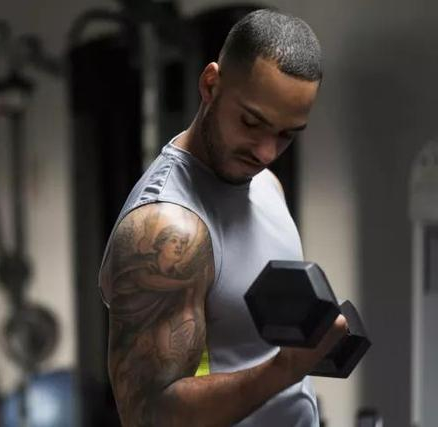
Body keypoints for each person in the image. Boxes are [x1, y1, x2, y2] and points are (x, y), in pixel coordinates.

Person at [98, 9, 348, 427]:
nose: (266, 152)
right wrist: (286, 369)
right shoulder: (167, 228)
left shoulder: (266, 185)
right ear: (210, 85)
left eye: (286, 134)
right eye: (251, 122)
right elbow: (148, 415)